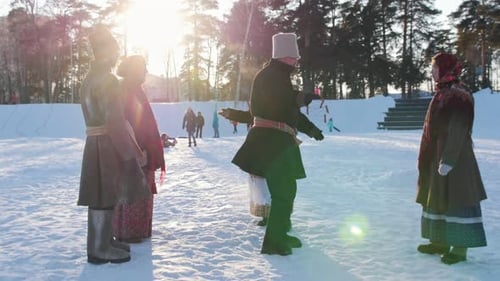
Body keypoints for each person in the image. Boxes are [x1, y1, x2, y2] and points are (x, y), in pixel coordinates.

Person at [232, 32, 324, 256]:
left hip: (278, 140)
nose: (297, 60)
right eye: (294, 56)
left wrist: (311, 129)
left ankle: (280, 234)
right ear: (284, 56)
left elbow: (288, 110)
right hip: (270, 142)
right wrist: (301, 97)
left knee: (287, 190)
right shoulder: (271, 76)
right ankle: (274, 242)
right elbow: (281, 103)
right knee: (283, 191)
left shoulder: (277, 76)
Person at [78, 25, 150, 264]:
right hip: (107, 143)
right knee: (104, 196)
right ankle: (99, 248)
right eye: (114, 49)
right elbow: (116, 122)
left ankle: (104, 240)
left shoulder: (89, 79)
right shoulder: (108, 80)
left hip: (94, 142)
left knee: (101, 194)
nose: (117, 54)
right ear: (106, 51)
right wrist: (129, 154)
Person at [416, 52, 487, 265]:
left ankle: (460, 247)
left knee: (458, 197)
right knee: (438, 196)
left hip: (455, 156)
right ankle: (439, 241)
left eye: (435, 67)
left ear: (445, 69)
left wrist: (448, 158)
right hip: (437, 153)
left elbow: (459, 126)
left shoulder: (459, 94)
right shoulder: (443, 92)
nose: (432, 72)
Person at [113, 55, 166, 243]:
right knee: (134, 189)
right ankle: (131, 231)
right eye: (142, 68)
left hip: (139, 149)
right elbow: (128, 122)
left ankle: (134, 230)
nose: (145, 72)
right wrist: (137, 149)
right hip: (135, 150)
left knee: (138, 189)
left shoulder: (132, 89)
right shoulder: (127, 90)